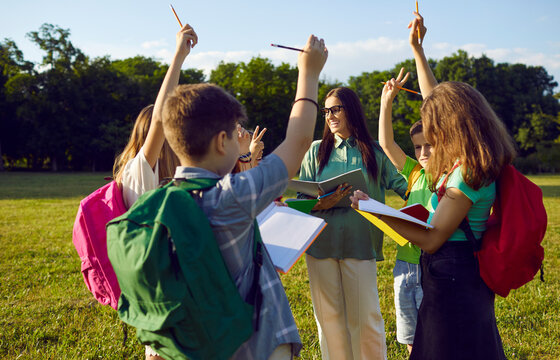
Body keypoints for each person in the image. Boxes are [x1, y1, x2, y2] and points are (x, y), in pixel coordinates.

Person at [350, 14, 515, 360]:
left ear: (451, 125)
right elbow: (435, 99)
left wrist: (377, 212)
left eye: (435, 123)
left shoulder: (468, 171)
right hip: (452, 277)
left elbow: (432, 237)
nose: (431, 131)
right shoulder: (469, 156)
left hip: (454, 278)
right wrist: (417, 49)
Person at [161, 35, 328, 360]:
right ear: (222, 142)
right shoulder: (231, 195)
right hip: (256, 345)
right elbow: (299, 140)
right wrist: (309, 73)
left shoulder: (160, 202)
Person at [297, 86, 408, 360]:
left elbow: (406, 187)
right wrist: (320, 203)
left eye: (336, 109)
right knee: (329, 322)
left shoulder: (374, 151)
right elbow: (302, 197)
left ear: (351, 111)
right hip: (320, 246)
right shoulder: (314, 151)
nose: (330, 116)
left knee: (366, 320)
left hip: (361, 244)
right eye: (326, 111)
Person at [112, 24, 198, 360]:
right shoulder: (139, 173)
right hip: (165, 307)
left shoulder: (176, 177)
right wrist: (179, 55)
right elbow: (162, 120)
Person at [378, 67, 433, 354]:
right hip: (404, 265)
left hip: (431, 265)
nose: (422, 153)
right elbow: (386, 144)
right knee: (410, 335)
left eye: (429, 146)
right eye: (417, 147)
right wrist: (387, 102)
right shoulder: (413, 173)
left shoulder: (451, 174)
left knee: (433, 335)